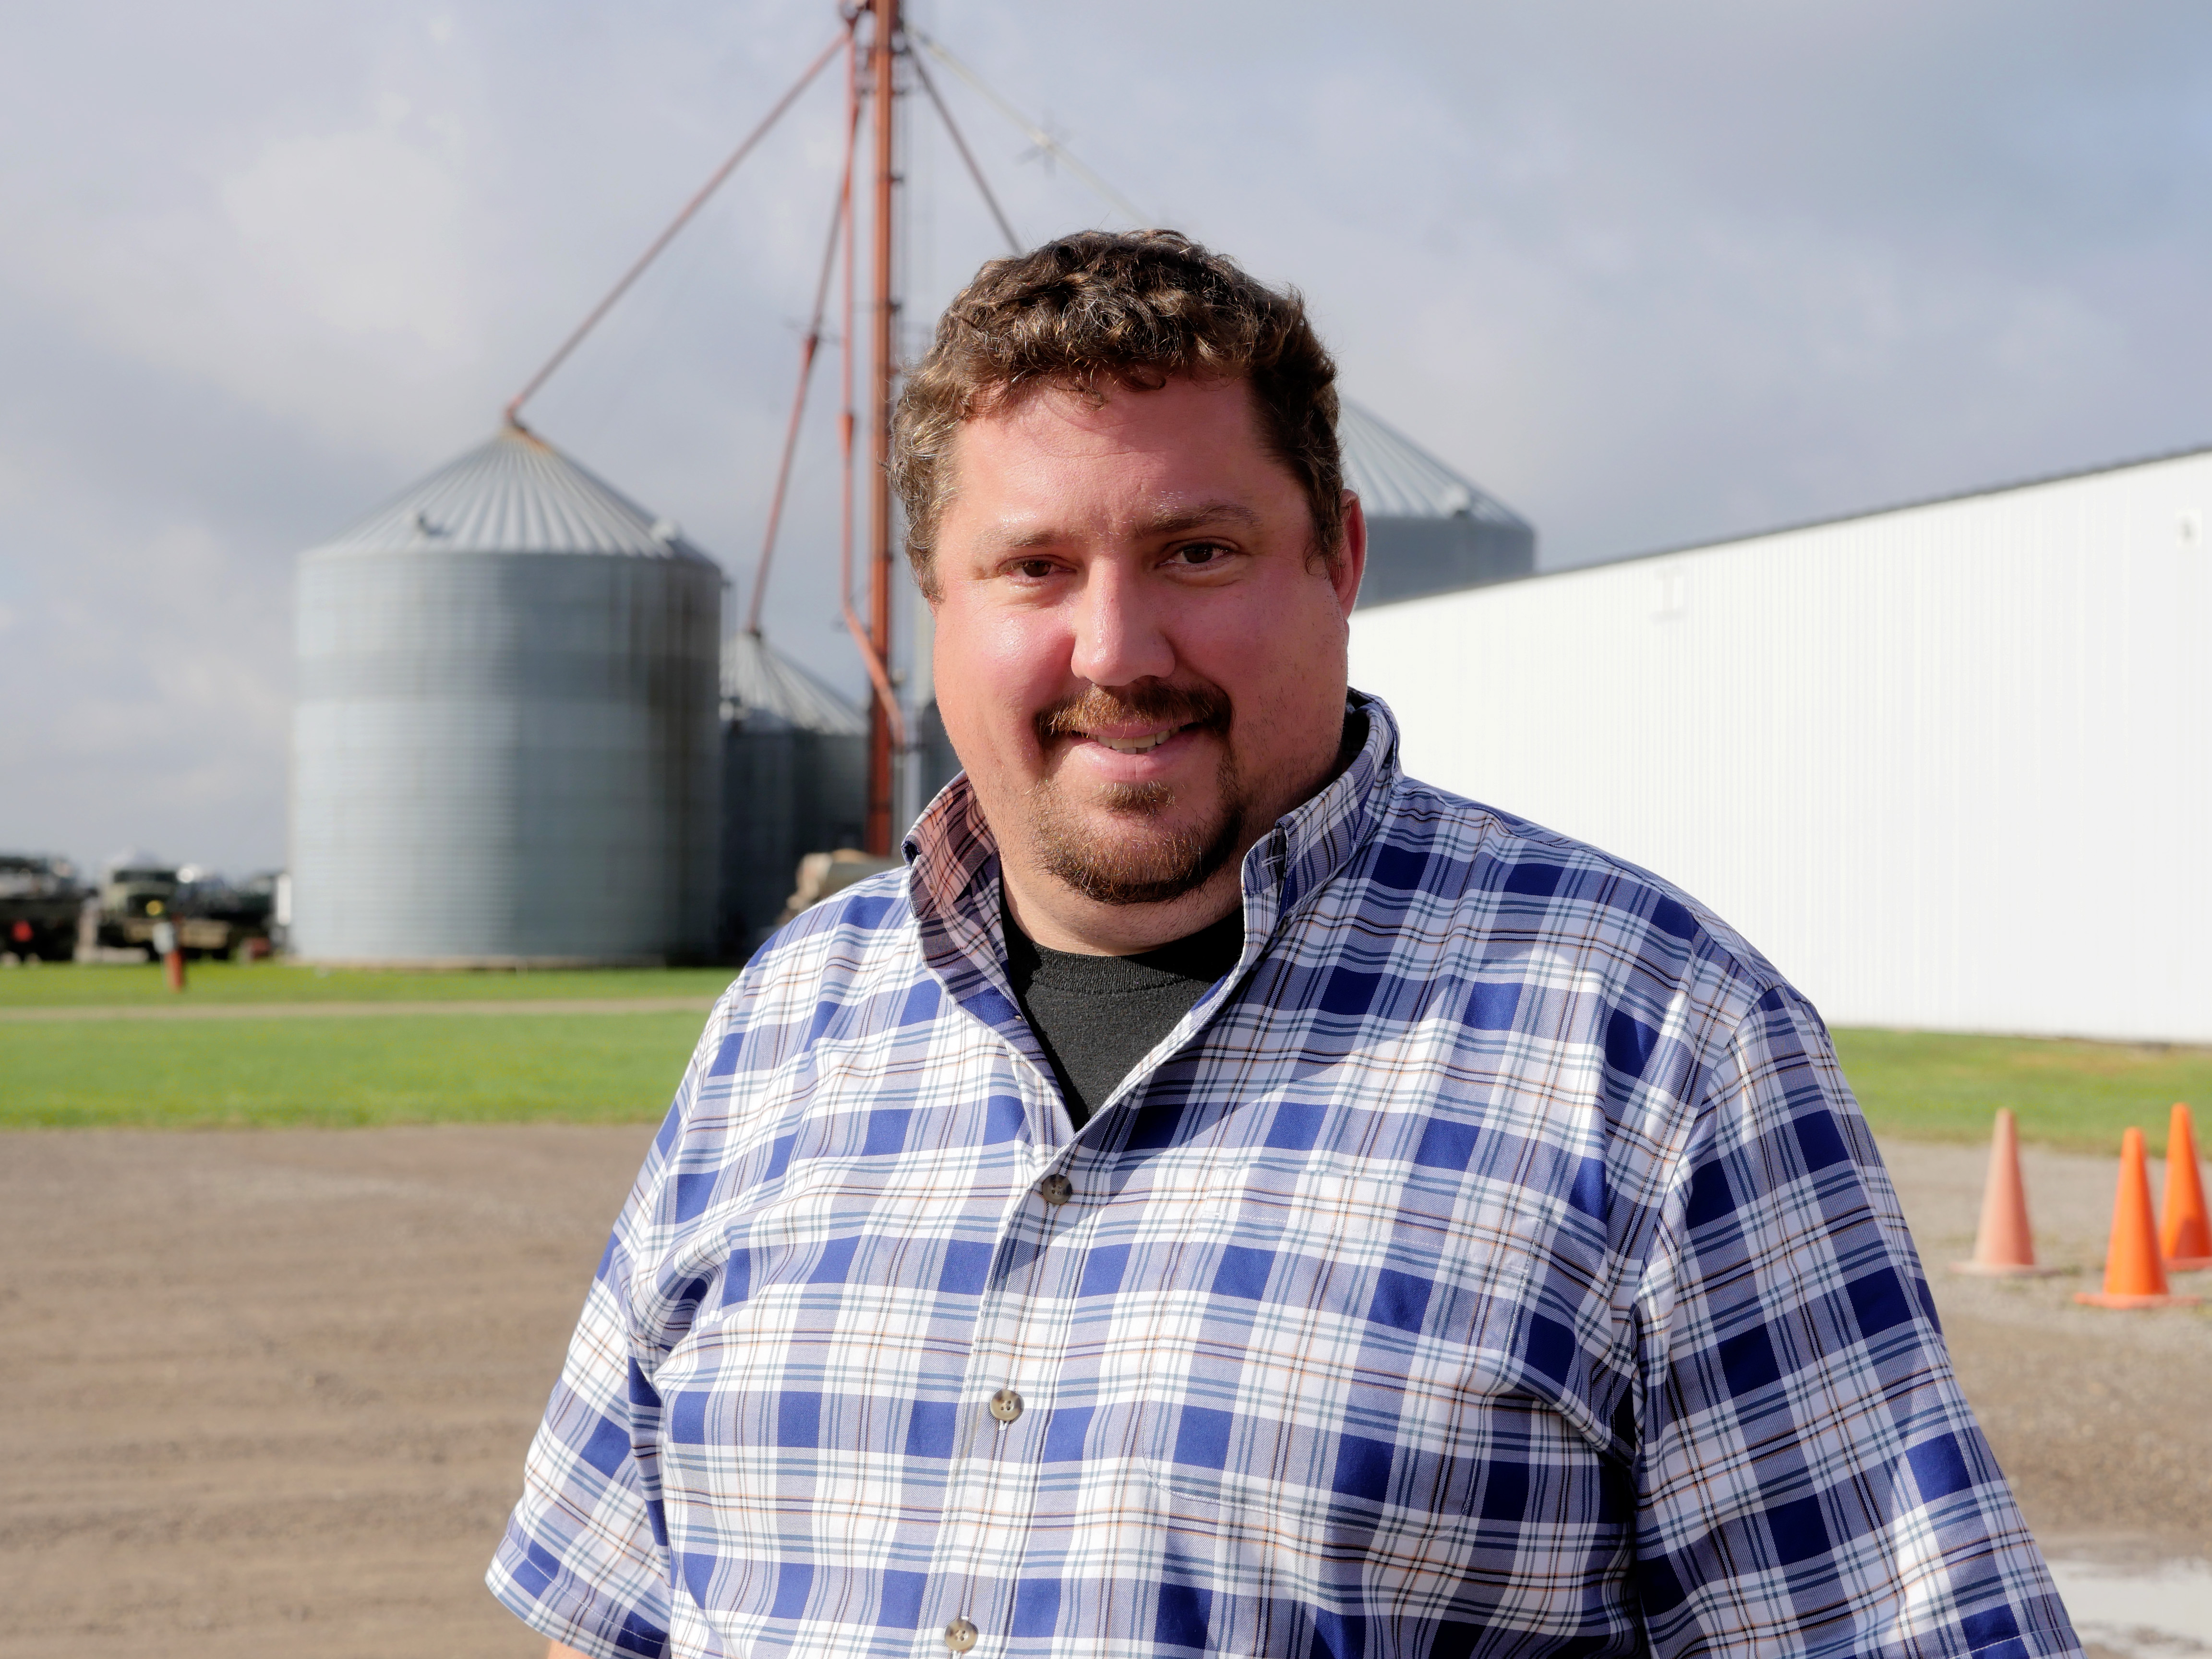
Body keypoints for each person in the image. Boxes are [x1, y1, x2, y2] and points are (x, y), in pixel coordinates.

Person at [491, 230, 2079, 1659]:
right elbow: (612, 1615)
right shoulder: (790, 1024)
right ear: (937, 603)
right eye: (1035, 567)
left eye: (1197, 552)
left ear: (1340, 557)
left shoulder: (1655, 1043)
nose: (1116, 650)